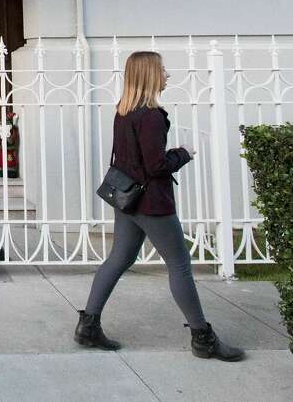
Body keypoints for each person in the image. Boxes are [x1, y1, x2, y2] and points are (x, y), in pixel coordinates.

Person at [75, 51, 244, 361]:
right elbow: (155, 166)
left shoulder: (124, 112)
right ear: (150, 75)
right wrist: (183, 153)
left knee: (118, 258)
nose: (167, 75)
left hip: (127, 199)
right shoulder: (151, 116)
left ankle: (88, 326)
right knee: (179, 265)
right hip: (151, 204)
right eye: (163, 70)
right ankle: (203, 338)